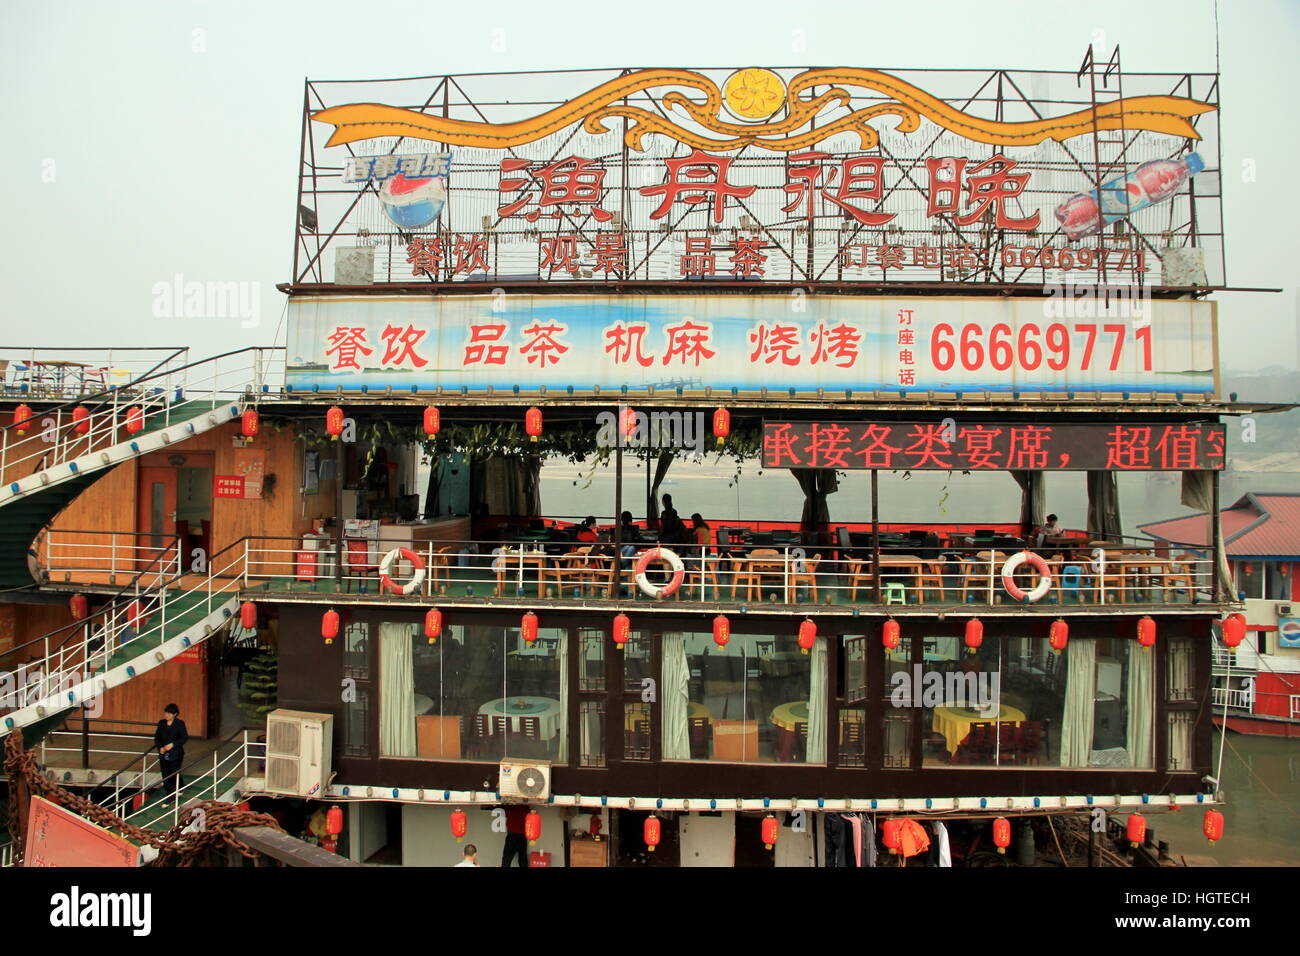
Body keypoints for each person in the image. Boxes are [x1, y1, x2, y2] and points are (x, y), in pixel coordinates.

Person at [154, 703, 188, 802]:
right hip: (163, 753)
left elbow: (184, 737)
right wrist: (160, 747)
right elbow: (157, 737)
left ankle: (180, 786)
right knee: (165, 774)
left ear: (175, 714)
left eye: (169, 713)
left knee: (174, 772)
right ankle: (170, 794)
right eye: (166, 712)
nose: (167, 715)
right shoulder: (161, 723)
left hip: (176, 753)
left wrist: (173, 745)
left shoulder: (179, 723)